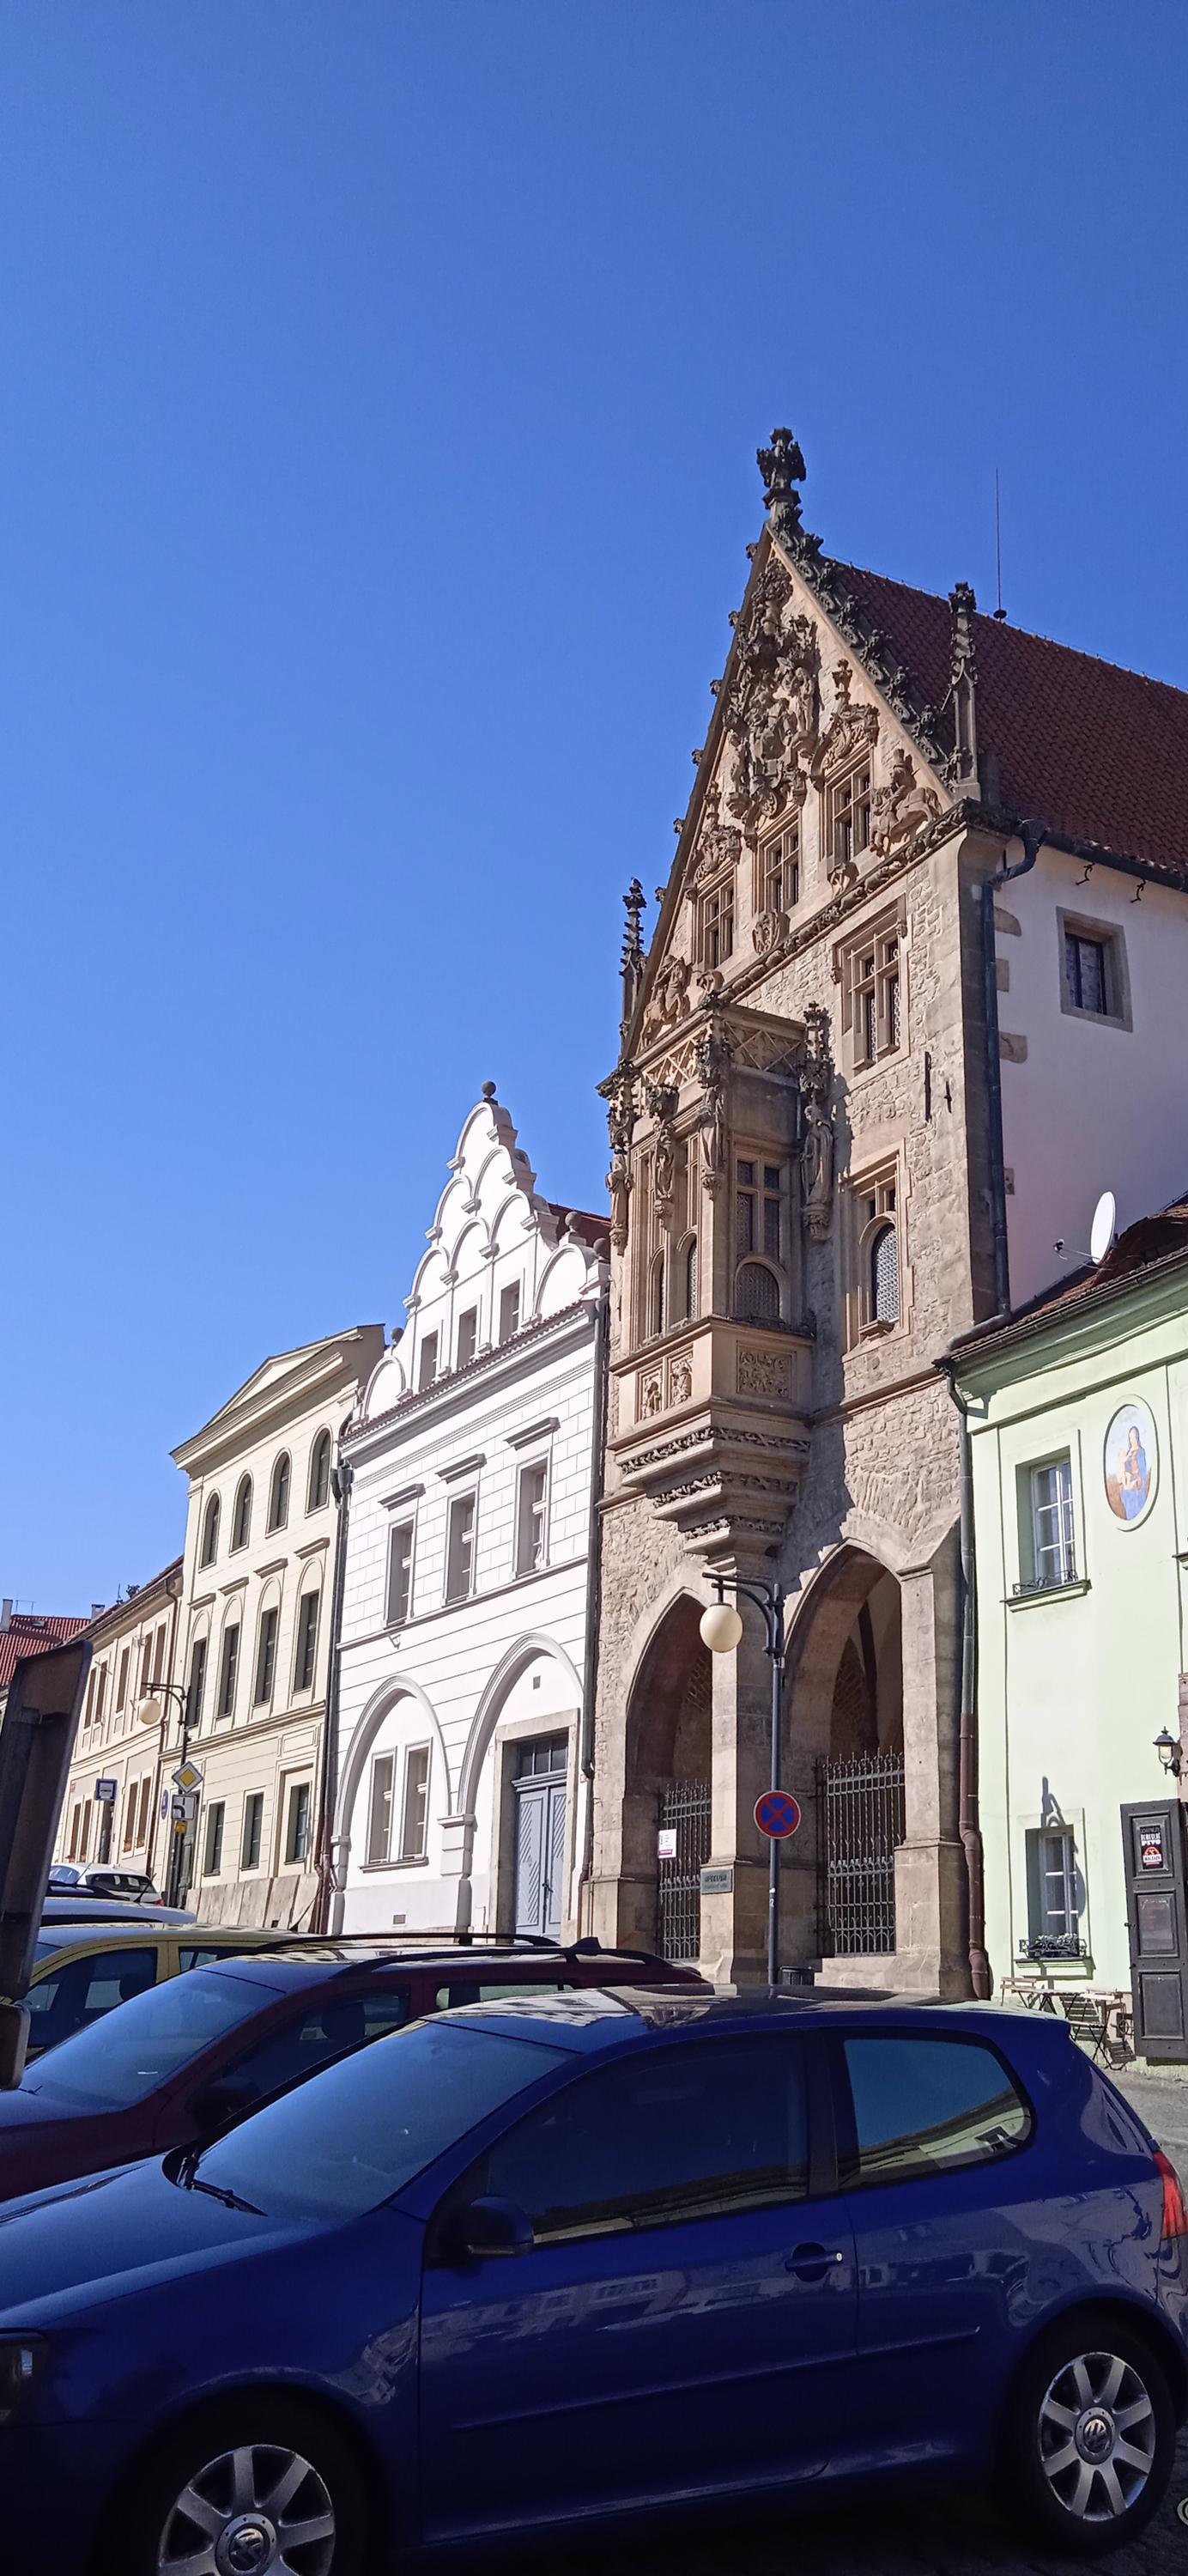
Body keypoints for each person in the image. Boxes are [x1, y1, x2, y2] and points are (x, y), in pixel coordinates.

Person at [1119, 1424, 1149, 1520]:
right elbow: (1125, 1469)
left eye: (1134, 1437)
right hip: (1129, 1482)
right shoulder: (1128, 1453)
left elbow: (1143, 1469)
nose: (1132, 1440)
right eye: (1130, 1438)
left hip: (1138, 1482)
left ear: (1137, 1437)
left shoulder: (1141, 1451)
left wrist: (1138, 1480)